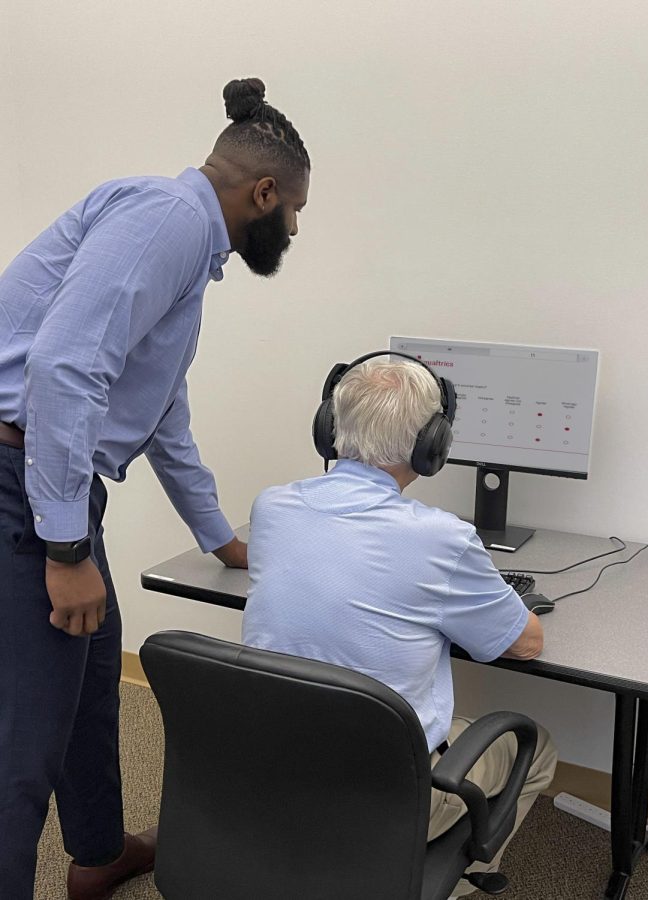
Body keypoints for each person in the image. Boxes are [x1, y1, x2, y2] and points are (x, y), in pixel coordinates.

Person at [0, 77, 310, 900]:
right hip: (23, 482)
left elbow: (160, 413)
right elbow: (63, 370)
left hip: (45, 482)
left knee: (94, 679)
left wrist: (221, 540)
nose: (294, 229)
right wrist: (66, 547)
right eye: (294, 212)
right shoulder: (168, 219)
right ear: (264, 192)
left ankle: (98, 852)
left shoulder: (181, 246)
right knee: (23, 740)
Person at [242, 354, 557, 898]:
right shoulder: (443, 539)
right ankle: (439, 883)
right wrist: (501, 597)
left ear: (328, 428)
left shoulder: (272, 507)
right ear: (432, 447)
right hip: (384, 790)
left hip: (269, 766)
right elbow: (525, 643)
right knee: (539, 747)